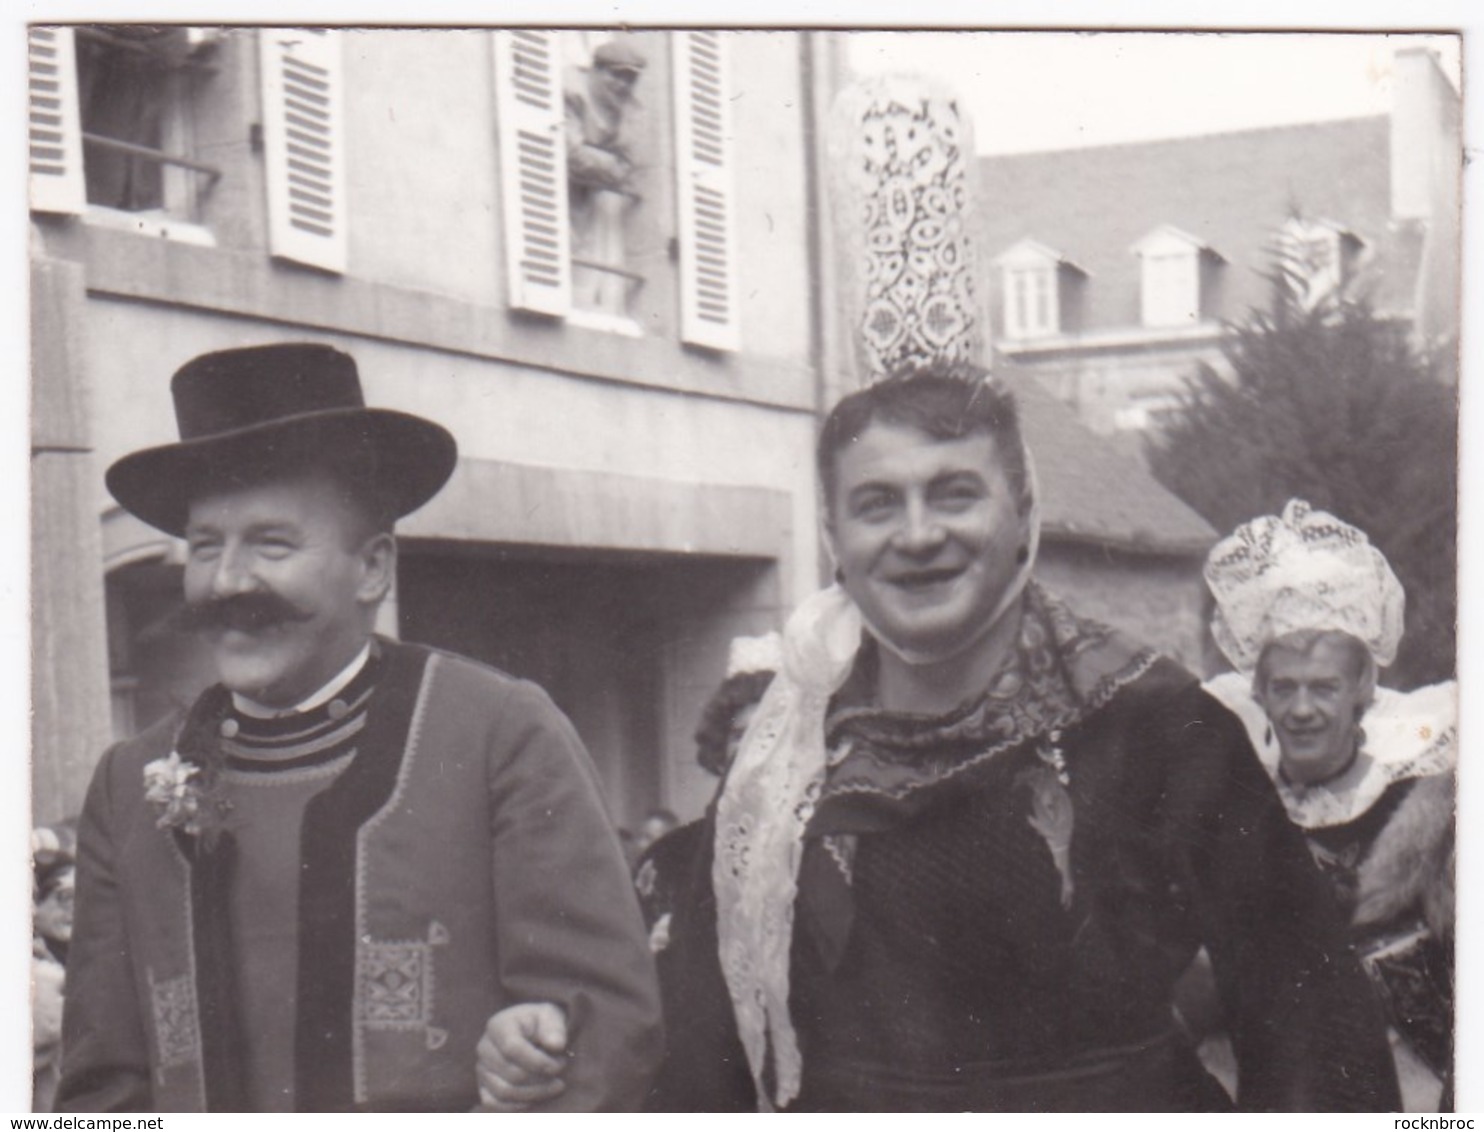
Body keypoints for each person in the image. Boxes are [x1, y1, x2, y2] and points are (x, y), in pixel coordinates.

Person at [637, 364, 1398, 1111]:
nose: (917, 533)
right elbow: (706, 1046)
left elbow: (1314, 1028)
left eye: (955, 494)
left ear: (1023, 510)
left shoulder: (1160, 727)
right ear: (835, 536)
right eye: (876, 504)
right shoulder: (783, 754)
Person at [57, 343, 662, 1112]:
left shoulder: (497, 732)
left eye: (272, 543)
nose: (229, 580)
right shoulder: (125, 784)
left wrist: (536, 1051)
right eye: (206, 546)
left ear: (373, 567)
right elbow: (97, 1091)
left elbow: (603, 1033)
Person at [1203, 499, 1456, 1110]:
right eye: (1284, 688)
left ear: (1361, 693)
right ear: (1258, 693)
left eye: (1324, 688)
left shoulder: (1423, 811)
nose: (1302, 709)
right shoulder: (1237, 811)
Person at [563, 37, 646, 314]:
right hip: (565, 197)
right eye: (617, 75)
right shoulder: (573, 92)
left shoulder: (629, 109)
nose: (622, 86)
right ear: (596, 71)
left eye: (630, 80)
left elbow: (632, 164)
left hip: (600, 208)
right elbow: (571, 155)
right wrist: (612, 167)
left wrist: (596, 159)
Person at [32, 823, 77, 1113]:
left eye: (80, 898)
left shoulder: (81, 954)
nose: (73, 910)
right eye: (63, 898)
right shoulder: (35, 970)